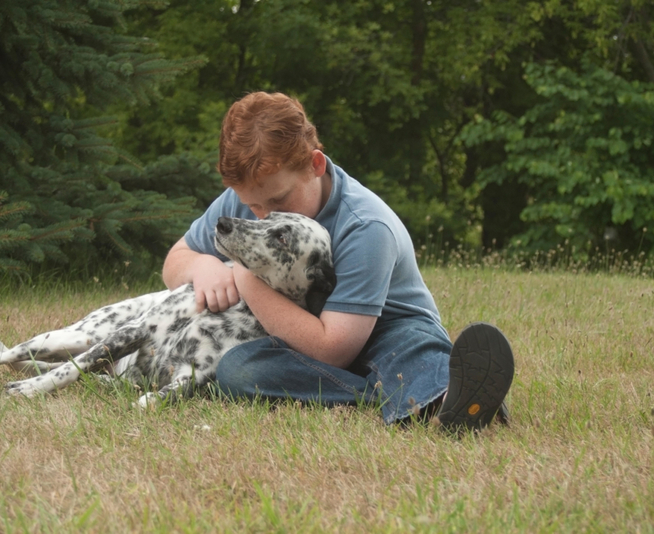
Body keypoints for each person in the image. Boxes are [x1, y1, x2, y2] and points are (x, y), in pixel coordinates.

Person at [162, 92, 514, 431]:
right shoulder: (253, 194)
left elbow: (333, 351)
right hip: (294, 335)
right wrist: (200, 266)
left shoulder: (366, 226)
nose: (262, 214)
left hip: (382, 329)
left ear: (315, 165)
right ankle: (401, 394)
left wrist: (244, 276)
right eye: (253, 206)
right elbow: (176, 259)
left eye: (277, 200)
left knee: (408, 351)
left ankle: (448, 393)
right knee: (237, 369)